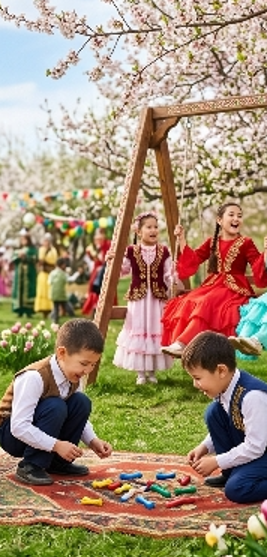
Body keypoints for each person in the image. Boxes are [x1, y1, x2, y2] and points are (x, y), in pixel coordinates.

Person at [0, 318, 113, 486]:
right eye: (84, 363)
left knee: (81, 401)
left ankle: (58, 463)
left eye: (93, 365)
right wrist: (56, 445)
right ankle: (31, 465)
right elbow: (19, 426)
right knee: (55, 405)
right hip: (13, 435)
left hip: (41, 427)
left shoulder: (74, 375)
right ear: (62, 353)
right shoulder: (34, 376)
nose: (87, 371)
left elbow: (76, 412)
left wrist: (93, 440)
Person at [161, 202, 267, 358]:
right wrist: (182, 239)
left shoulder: (246, 243)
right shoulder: (212, 242)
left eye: (239, 216)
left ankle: (183, 343)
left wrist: (266, 252)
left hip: (233, 288)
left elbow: (258, 264)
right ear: (219, 220)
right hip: (212, 285)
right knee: (189, 300)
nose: (236, 219)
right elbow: (194, 259)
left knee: (207, 301)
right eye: (231, 215)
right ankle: (183, 344)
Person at [182, 331, 267, 504]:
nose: (195, 384)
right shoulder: (225, 388)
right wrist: (205, 447)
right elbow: (228, 421)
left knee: (237, 489)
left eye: (198, 378)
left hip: (263, 451)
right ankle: (231, 473)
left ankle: (238, 477)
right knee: (213, 412)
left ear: (221, 370)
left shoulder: (252, 396)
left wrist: (216, 461)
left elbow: (256, 447)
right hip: (257, 450)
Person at [113, 212, 176, 384]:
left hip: (157, 299)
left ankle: (152, 371)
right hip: (139, 299)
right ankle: (141, 373)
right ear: (138, 231)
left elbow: (167, 273)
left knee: (155, 328)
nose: (153, 230)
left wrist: (173, 280)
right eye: (149, 227)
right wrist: (113, 262)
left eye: (156, 227)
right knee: (139, 328)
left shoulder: (164, 251)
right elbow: (123, 270)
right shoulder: (131, 251)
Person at [80, 228, 111, 317]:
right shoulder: (95, 247)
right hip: (96, 270)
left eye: (99, 238)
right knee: (94, 288)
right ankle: (93, 308)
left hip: (104, 270)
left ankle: (100, 310)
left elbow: (105, 259)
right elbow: (94, 260)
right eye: (96, 238)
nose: (97, 240)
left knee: (102, 289)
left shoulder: (107, 244)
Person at [11, 233, 37, 317]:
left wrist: (26, 257)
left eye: (25, 239)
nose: (23, 241)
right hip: (19, 274)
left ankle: (29, 311)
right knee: (19, 291)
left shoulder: (32, 249)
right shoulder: (18, 250)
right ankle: (19, 310)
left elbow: (35, 259)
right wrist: (18, 257)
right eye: (22, 240)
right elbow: (13, 259)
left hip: (29, 274)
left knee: (28, 291)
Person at [34, 232, 57, 318]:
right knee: (42, 291)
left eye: (47, 241)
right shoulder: (41, 249)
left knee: (49, 292)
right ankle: (42, 309)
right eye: (44, 241)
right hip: (42, 273)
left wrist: (46, 261)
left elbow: (53, 261)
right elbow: (40, 260)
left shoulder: (53, 250)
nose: (45, 242)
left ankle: (50, 310)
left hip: (49, 273)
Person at [48, 257, 73, 324]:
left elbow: (49, 282)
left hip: (53, 294)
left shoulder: (52, 273)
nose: (65, 266)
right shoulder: (63, 274)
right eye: (64, 265)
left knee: (56, 308)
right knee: (67, 306)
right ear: (62, 265)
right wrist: (77, 274)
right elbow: (69, 280)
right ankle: (72, 316)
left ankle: (54, 320)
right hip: (61, 294)